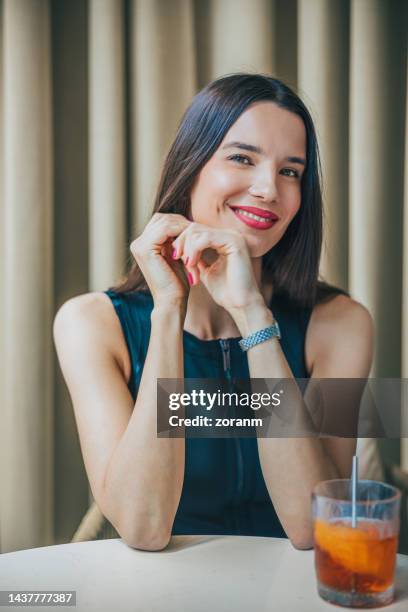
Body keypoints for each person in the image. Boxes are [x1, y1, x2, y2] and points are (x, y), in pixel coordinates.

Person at [53, 73, 374, 552]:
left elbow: (314, 528)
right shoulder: (90, 324)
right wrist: (168, 310)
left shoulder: (342, 324)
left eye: (291, 171)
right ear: (190, 170)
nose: (269, 189)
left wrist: (252, 315)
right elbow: (144, 527)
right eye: (242, 158)